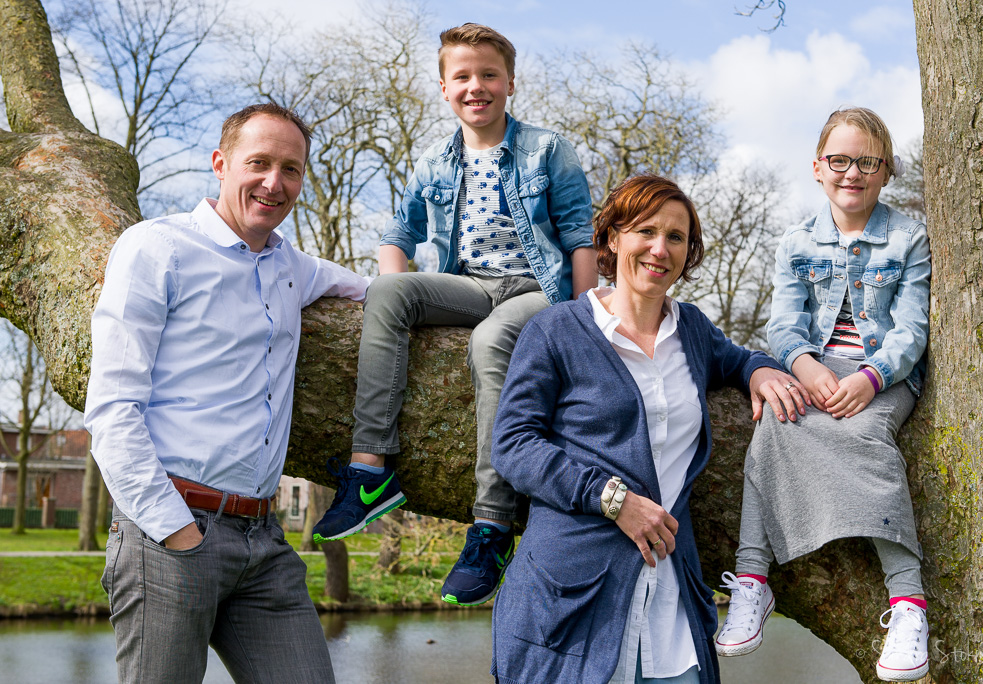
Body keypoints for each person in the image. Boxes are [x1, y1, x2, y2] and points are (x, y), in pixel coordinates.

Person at [312, 23, 596, 607]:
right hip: (465, 284)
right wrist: (402, 291)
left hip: (537, 289)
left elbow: (579, 240)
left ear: (510, 83)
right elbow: (398, 235)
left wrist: (582, 317)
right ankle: (369, 472)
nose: (476, 86)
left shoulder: (547, 150)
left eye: (488, 74)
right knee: (386, 293)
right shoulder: (434, 162)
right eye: (462, 76)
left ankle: (492, 523)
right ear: (443, 87)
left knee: (492, 340)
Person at [84, 103, 368, 683]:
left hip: (264, 541)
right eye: (258, 163)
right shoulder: (156, 249)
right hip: (171, 530)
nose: (274, 182)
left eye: (291, 169)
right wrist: (173, 529)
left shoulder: (292, 266)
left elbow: (374, 289)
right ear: (220, 163)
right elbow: (112, 407)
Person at [488, 174, 805, 683]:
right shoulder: (556, 329)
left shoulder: (694, 330)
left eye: (676, 237)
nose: (660, 248)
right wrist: (611, 499)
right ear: (613, 238)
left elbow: (737, 358)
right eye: (645, 231)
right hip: (569, 604)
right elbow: (512, 444)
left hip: (671, 606)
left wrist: (761, 370)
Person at [713, 107, 932, 682]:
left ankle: (908, 603)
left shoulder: (909, 238)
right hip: (815, 367)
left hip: (883, 375)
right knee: (775, 425)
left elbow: (911, 330)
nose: (852, 173)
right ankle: (753, 582)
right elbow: (784, 324)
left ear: (886, 171)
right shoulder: (796, 242)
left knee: (865, 435)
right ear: (817, 167)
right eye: (840, 160)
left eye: (867, 162)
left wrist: (871, 378)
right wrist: (804, 368)